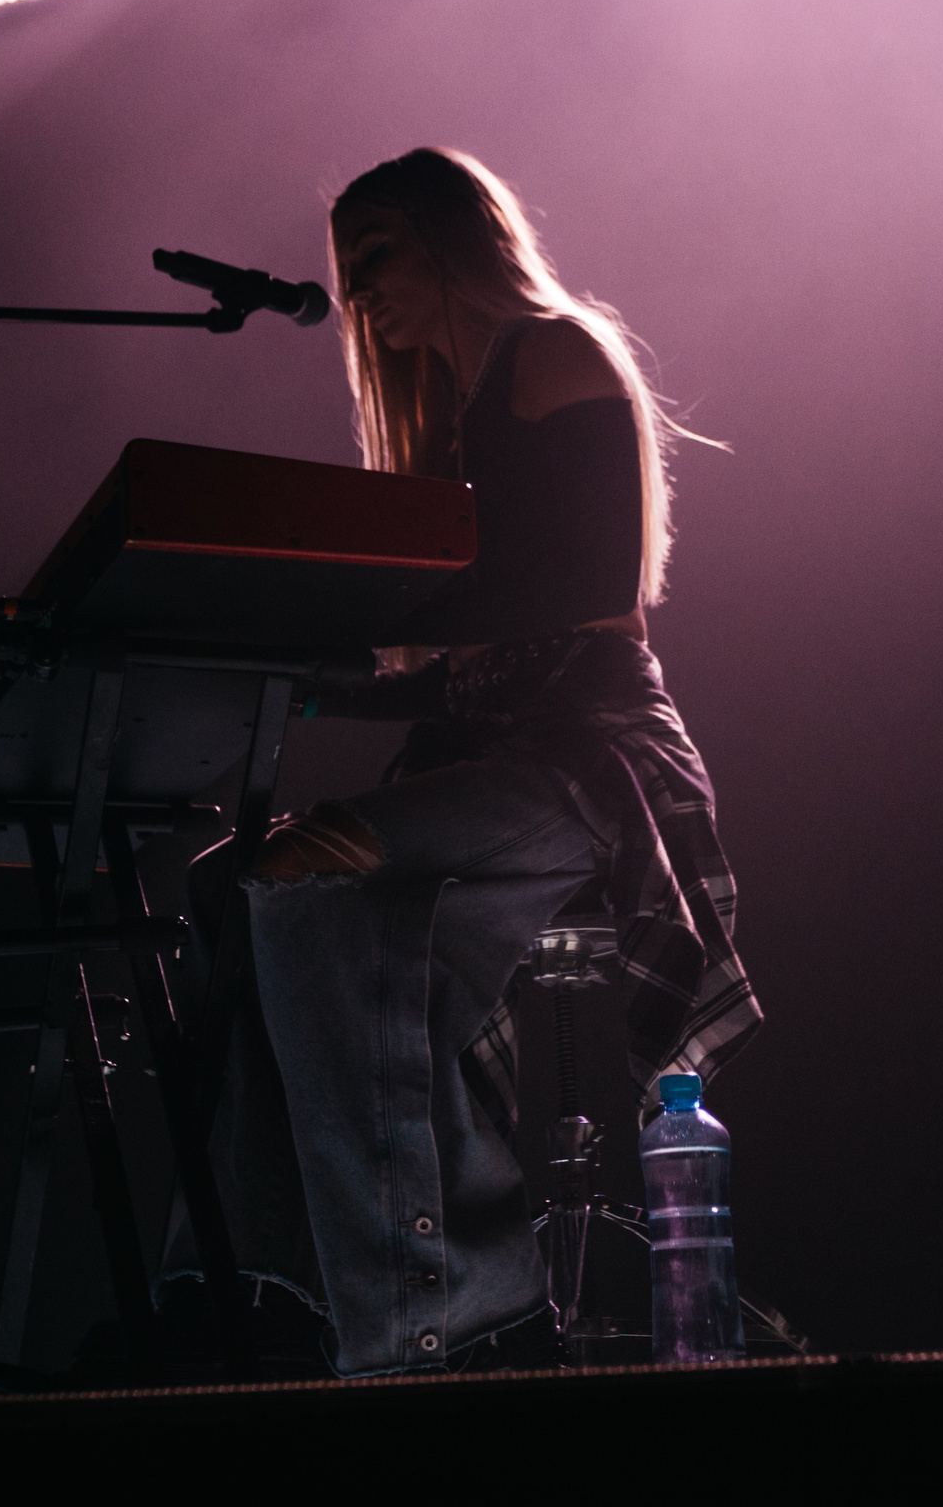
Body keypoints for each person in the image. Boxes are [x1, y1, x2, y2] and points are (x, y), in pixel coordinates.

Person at [197, 147, 762, 1377]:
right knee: (239, 891)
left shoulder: (552, 353)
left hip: (590, 758)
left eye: (378, 258)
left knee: (303, 884)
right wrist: (272, 671)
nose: (359, 298)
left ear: (452, 236)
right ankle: (275, 1290)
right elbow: (442, 656)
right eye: (345, 276)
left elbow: (579, 586)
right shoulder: (449, 423)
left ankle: (440, 1320)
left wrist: (322, 632)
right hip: (493, 748)